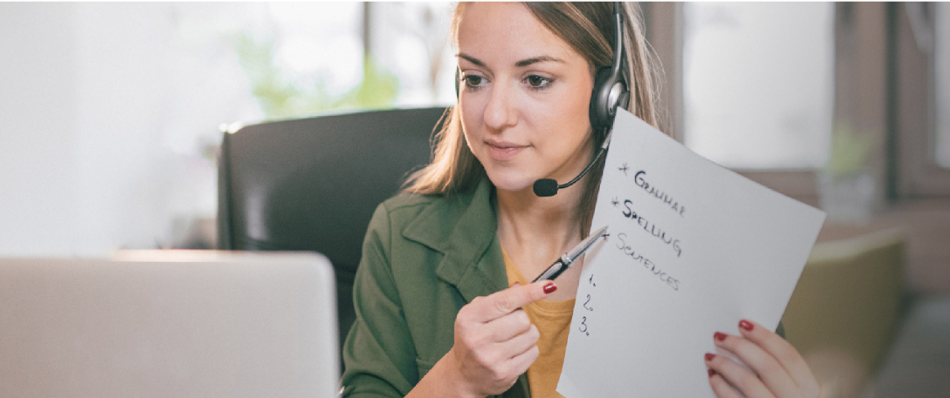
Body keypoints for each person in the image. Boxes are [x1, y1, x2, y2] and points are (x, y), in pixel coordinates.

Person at [341, 3, 820, 398]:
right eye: (475, 78)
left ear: (608, 92)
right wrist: (456, 381)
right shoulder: (401, 237)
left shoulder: (706, 247)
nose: (495, 115)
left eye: (535, 80)